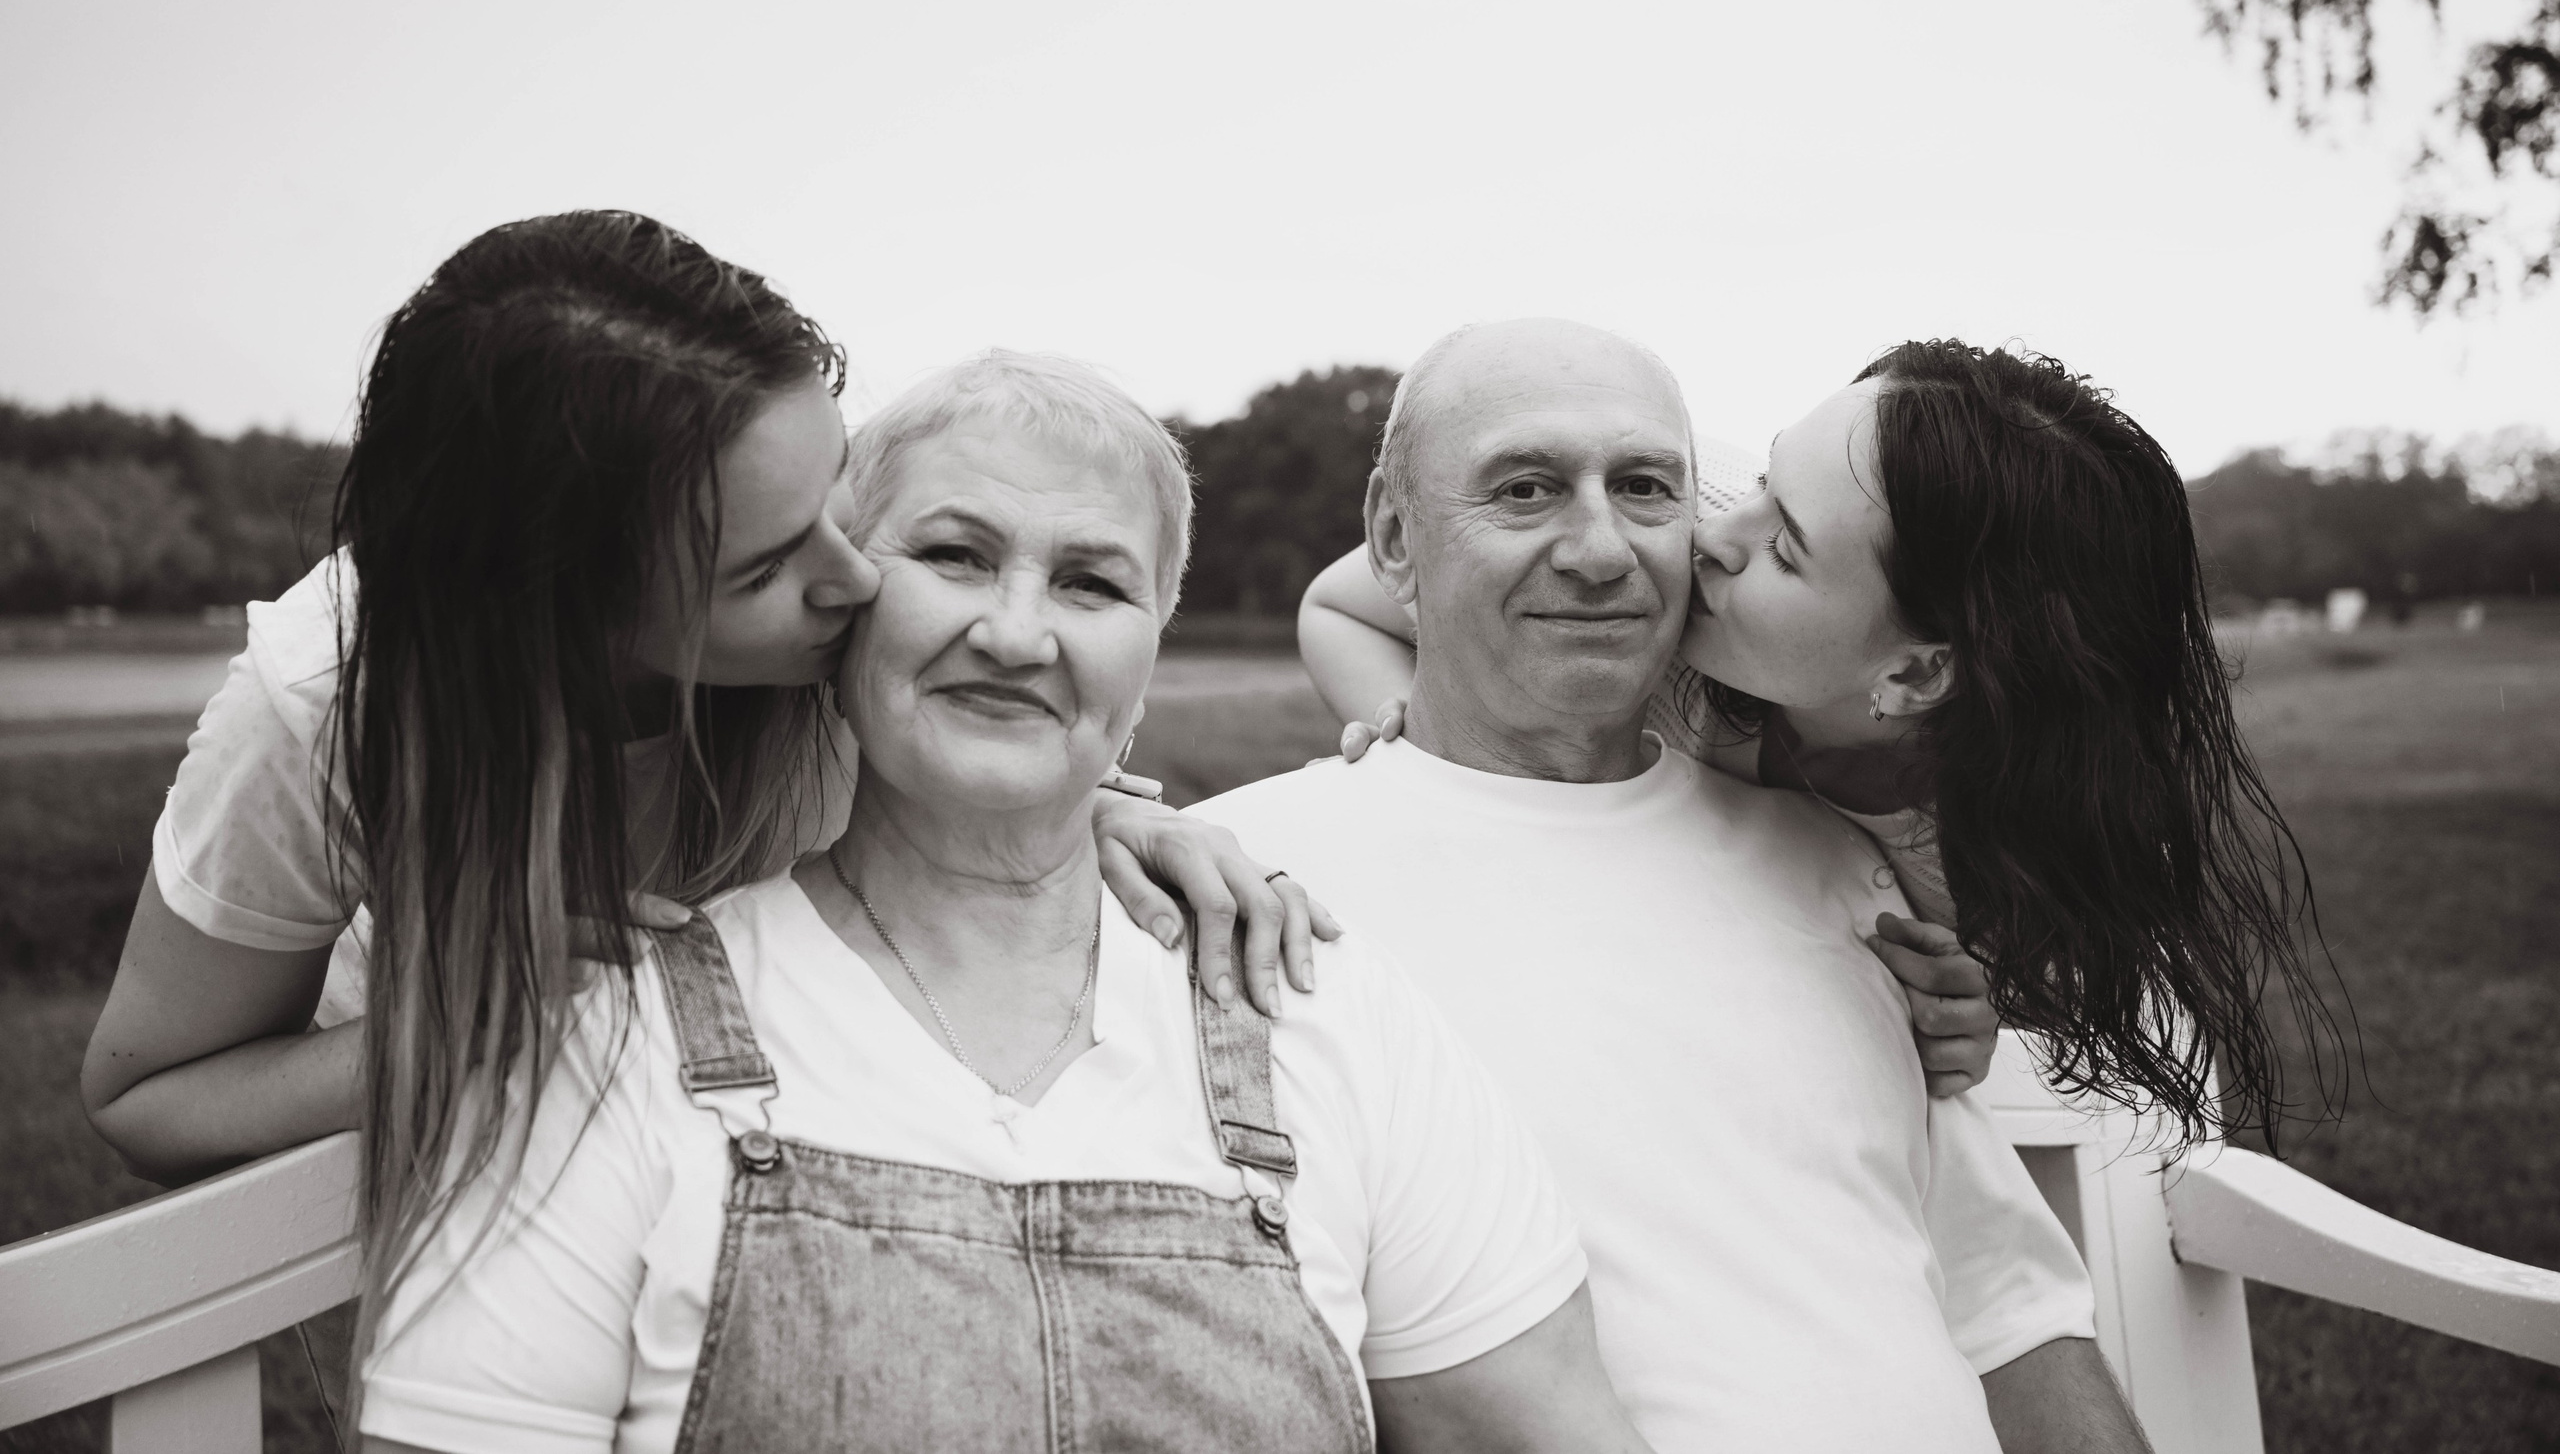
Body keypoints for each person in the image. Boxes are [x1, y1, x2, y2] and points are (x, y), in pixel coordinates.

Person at [358, 353, 1648, 1454]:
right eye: (955, 556)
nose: (1018, 634)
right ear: (843, 608)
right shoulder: (615, 1041)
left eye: (1091, 583)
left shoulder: (1314, 1007)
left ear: (1147, 656)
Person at [80, 213, 1325, 1308]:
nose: (855, 578)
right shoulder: (326, 708)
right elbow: (147, 1098)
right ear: (568, 616)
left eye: (836, 495)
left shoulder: (842, 605)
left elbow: (1002, 708)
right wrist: (458, 1023)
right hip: (492, 1225)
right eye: (766, 571)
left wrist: (1090, 815)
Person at [1195, 319, 2139, 1452]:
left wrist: (1959, 1003)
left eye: (1645, 488)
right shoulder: (1241, 878)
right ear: (1395, 539)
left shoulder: (1860, 864)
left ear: (1915, 674)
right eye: (1525, 490)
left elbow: (2013, 1312)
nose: (1607, 551)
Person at [1299, 333, 2337, 1138]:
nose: (1707, 536)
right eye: (1761, 484)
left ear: (1915, 672)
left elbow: (1904, 1042)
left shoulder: (1966, 863)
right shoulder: (1645, 568)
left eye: (1782, 547)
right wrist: (1416, 743)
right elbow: (1348, 605)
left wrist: (1960, 1026)